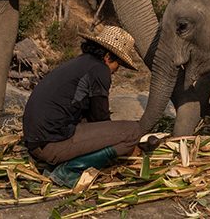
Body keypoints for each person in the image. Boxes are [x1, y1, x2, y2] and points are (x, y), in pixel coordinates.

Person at [23, 25, 142, 185]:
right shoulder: (100, 70)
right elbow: (100, 118)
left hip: (36, 143)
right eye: (118, 64)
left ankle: (64, 163)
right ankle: (69, 170)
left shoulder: (80, 63)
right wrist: (128, 147)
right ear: (108, 56)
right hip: (51, 146)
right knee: (132, 132)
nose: (116, 70)